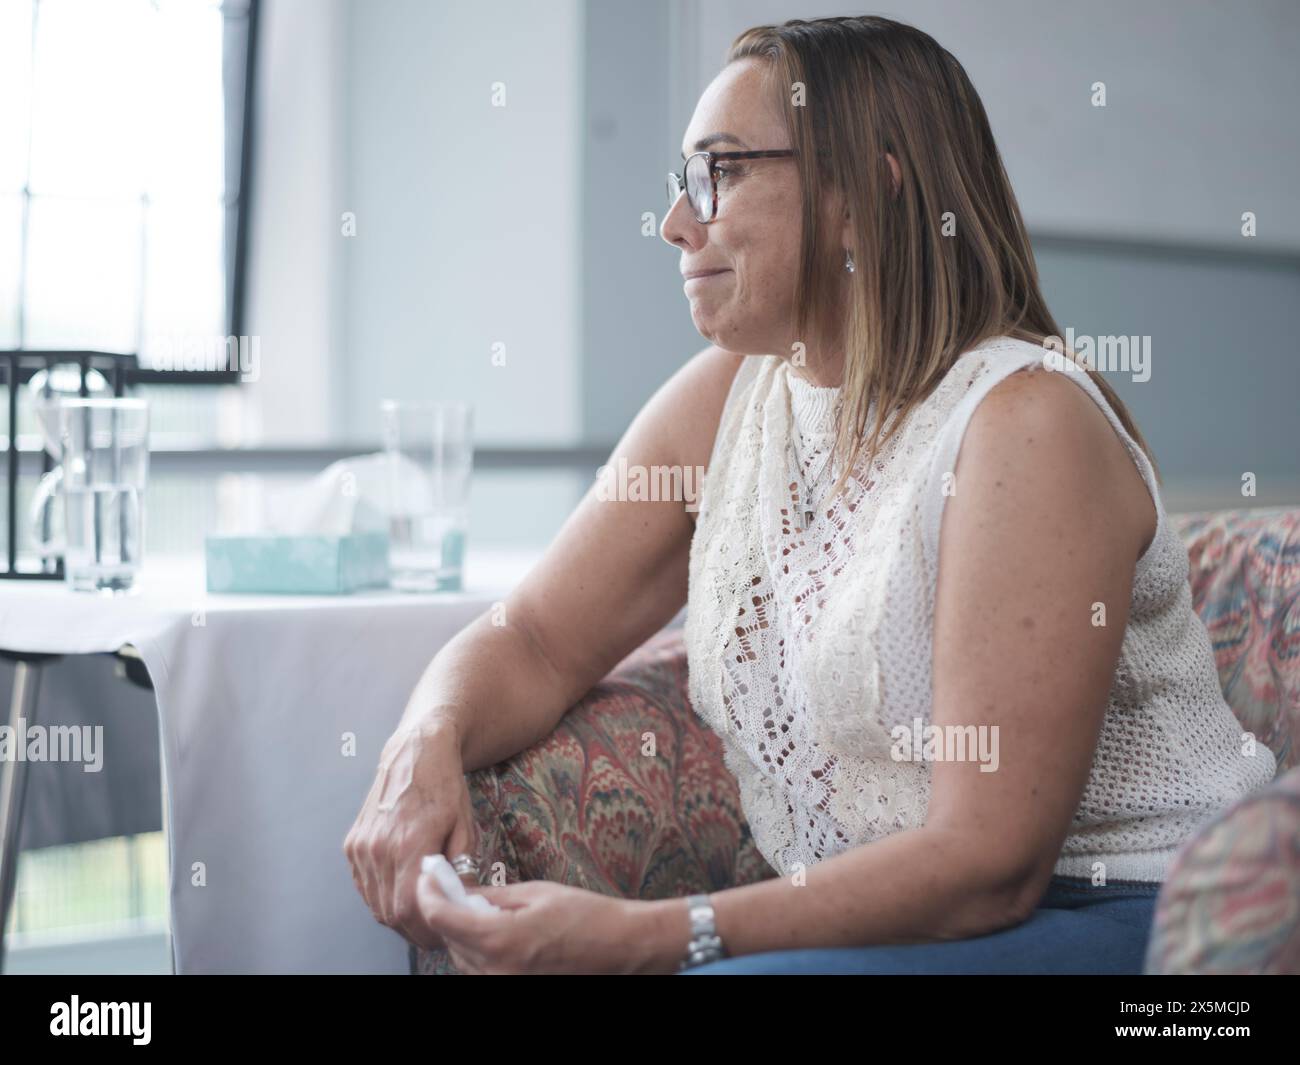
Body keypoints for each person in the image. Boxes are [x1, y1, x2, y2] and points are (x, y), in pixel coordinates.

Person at [343, 14, 1276, 975]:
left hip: (1136, 921)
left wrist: (648, 937)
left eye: (724, 171)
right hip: (880, 922)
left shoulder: (1023, 424)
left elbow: (989, 864)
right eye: (682, 179)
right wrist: (425, 738)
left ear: (861, 192)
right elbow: (535, 636)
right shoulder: (733, 396)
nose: (676, 223)